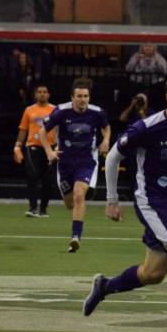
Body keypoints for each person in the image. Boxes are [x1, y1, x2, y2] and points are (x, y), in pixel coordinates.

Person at [81, 72, 167, 332]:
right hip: (151, 202)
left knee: (152, 274)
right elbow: (114, 155)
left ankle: (104, 286)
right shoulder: (147, 128)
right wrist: (112, 200)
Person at [39, 77, 111, 252]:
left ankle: (76, 237)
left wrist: (106, 141)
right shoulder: (61, 112)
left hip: (86, 161)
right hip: (64, 162)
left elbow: (106, 127)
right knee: (70, 203)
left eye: (86, 96)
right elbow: (42, 131)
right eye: (79, 96)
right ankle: (86, 193)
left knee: (79, 195)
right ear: (72, 97)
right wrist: (49, 151)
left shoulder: (97, 112)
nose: (83, 99)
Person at [13, 84, 56, 218]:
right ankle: (32, 208)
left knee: (48, 179)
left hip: (50, 148)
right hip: (33, 147)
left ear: (48, 94)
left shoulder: (55, 110)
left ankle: (43, 209)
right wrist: (17, 146)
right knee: (32, 176)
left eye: (44, 92)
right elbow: (23, 129)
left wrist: (59, 146)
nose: (42, 94)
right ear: (35, 95)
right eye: (39, 92)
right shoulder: (29, 110)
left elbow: (61, 129)